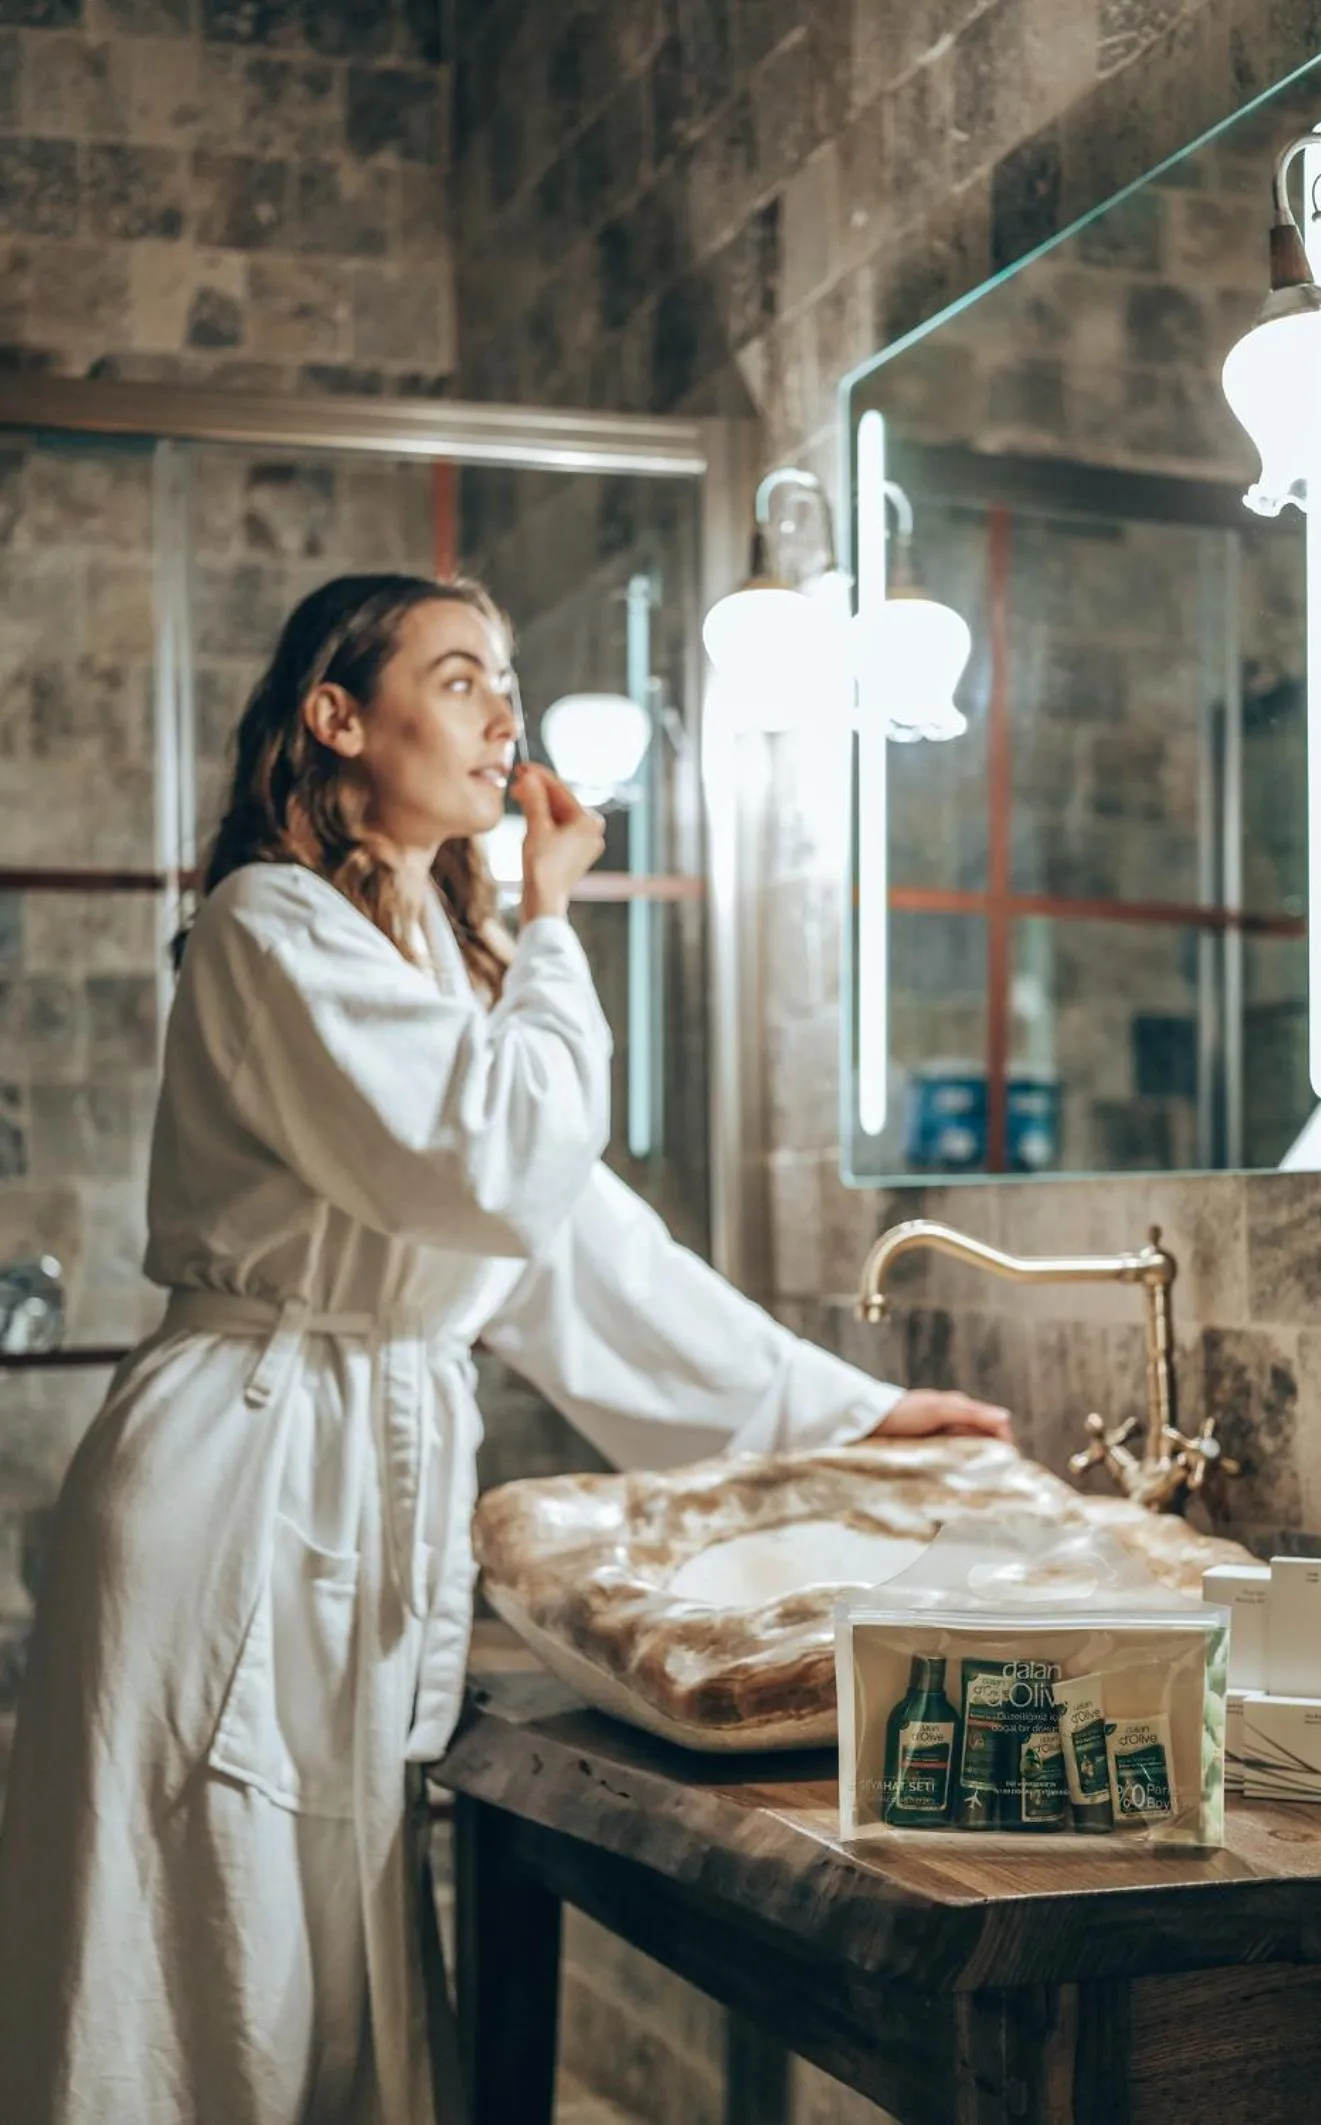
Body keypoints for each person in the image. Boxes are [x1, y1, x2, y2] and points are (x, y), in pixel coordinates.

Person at [0, 574, 1011, 2125]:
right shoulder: (271, 922)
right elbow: (500, 1164)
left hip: (332, 1467)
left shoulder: (409, 944)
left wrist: (853, 1414)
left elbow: (584, 1255)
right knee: (208, 1947)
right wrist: (548, 914)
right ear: (338, 717)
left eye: (506, 682)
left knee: (312, 1945)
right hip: (238, 1483)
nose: (503, 715)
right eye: (461, 677)